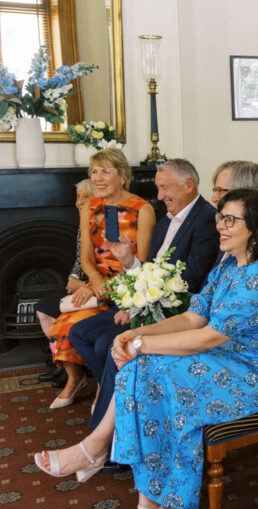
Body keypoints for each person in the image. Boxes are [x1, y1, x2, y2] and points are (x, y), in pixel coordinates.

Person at [34, 189, 258, 509]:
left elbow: (206, 338)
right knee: (146, 375)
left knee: (152, 373)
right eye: (220, 217)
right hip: (229, 355)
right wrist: (137, 333)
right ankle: (140, 494)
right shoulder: (229, 262)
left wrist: (140, 345)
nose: (220, 226)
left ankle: (108, 463)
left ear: (256, 228)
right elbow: (194, 317)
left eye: (230, 220)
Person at [68, 158, 221, 433]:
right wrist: (128, 261)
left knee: (107, 345)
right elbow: (147, 270)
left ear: (188, 185)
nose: (160, 196)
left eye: (164, 188)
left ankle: (115, 430)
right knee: (79, 333)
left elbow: (190, 281)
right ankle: (114, 395)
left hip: (174, 312)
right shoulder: (165, 222)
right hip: (145, 305)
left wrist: (141, 303)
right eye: (158, 189)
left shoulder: (206, 221)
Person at [46, 148, 155, 410]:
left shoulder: (143, 209)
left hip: (130, 287)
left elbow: (144, 265)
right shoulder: (89, 207)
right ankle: (101, 386)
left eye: (106, 171)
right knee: (66, 328)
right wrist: (95, 284)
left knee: (84, 333)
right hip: (98, 284)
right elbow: (86, 258)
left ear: (123, 177)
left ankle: (106, 392)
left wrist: (108, 289)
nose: (98, 178)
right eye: (94, 172)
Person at [36, 179, 96, 387]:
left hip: (96, 288)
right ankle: (65, 367)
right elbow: (80, 260)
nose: (79, 202)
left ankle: (73, 371)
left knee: (62, 315)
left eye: (85, 197)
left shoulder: (102, 223)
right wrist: (73, 277)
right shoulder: (83, 222)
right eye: (78, 197)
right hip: (81, 283)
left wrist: (83, 285)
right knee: (43, 309)